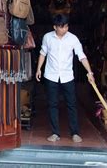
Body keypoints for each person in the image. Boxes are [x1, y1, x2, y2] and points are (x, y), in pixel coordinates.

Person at [35, 14, 95, 143]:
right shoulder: (47, 37)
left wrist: (90, 72)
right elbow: (42, 53)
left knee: (72, 105)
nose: (65, 29)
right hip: (51, 75)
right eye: (62, 27)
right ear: (55, 27)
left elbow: (81, 56)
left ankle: (75, 133)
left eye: (66, 26)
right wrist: (38, 69)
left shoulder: (73, 39)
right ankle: (55, 133)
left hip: (67, 76)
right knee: (52, 104)